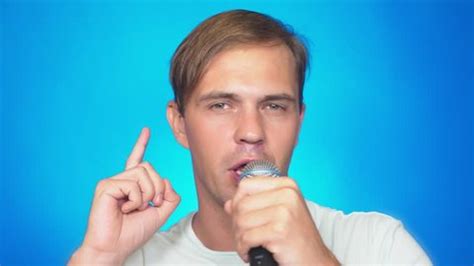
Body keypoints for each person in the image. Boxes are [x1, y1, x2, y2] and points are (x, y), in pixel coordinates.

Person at [69, 9, 431, 265]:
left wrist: (314, 261)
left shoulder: (379, 245)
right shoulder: (134, 261)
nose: (251, 132)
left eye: (274, 106)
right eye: (222, 105)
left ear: (299, 122)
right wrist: (96, 258)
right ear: (179, 123)